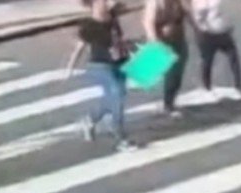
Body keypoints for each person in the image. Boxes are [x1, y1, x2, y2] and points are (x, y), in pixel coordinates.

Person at [66, 0, 138, 152]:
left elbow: (119, 39)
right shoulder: (89, 25)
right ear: (94, 5)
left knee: (113, 98)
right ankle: (121, 139)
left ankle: (90, 120)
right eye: (103, 1)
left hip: (120, 63)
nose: (107, 3)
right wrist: (70, 67)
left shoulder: (113, 19)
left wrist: (131, 47)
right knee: (117, 97)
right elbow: (79, 48)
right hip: (101, 66)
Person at [191, 0, 241, 102]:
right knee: (207, 61)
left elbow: (227, 13)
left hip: (223, 33)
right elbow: (199, 16)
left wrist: (229, 26)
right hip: (208, 35)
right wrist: (202, 29)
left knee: (234, 58)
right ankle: (207, 88)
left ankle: (238, 86)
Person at [144, 0, 189, 117]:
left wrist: (198, 28)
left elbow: (187, 14)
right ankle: (168, 105)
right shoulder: (155, 3)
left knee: (178, 74)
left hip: (179, 40)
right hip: (163, 42)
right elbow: (148, 23)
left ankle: (171, 101)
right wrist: (155, 43)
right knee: (171, 74)